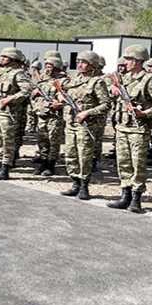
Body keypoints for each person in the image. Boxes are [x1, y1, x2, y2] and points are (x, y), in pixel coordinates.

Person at [107, 44, 152, 213]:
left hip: (138, 129)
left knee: (138, 164)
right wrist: (113, 91)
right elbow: (113, 97)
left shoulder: (149, 80)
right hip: (122, 127)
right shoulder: (123, 78)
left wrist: (145, 113)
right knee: (123, 163)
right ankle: (125, 195)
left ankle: (136, 198)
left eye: (129, 59)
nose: (126, 62)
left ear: (138, 61)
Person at [59, 51, 111, 200]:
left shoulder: (97, 82)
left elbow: (106, 105)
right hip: (71, 122)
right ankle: (74, 183)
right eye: (79, 61)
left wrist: (88, 112)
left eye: (84, 62)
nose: (80, 64)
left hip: (86, 124)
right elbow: (62, 91)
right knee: (71, 154)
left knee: (85, 156)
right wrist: (60, 96)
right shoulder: (73, 79)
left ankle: (84, 186)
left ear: (92, 65)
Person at [0, 47, 32, 180]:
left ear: (13, 59)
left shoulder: (19, 74)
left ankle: (5, 167)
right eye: (2, 56)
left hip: (9, 112)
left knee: (8, 141)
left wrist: (10, 99)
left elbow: (26, 91)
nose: (2, 59)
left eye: (5, 57)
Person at [30, 57, 65, 176]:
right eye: (46, 67)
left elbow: (66, 98)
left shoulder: (63, 81)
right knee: (42, 140)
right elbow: (33, 94)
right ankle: (43, 162)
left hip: (54, 116)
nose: (47, 69)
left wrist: (59, 104)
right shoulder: (43, 80)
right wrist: (35, 93)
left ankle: (51, 164)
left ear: (57, 68)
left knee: (53, 141)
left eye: (50, 67)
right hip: (42, 114)